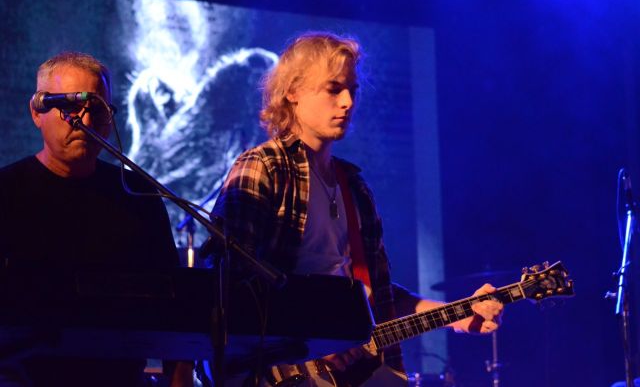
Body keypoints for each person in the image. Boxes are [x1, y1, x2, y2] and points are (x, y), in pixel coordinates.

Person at [213, 32, 504, 386]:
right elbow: (227, 284)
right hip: (275, 371)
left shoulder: (355, 188)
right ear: (292, 91)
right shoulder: (263, 167)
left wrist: (456, 315)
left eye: (352, 89)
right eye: (333, 89)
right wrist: (308, 339)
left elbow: (380, 296)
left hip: (349, 369)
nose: (348, 102)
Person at [0, 52, 192, 387]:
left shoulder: (138, 194)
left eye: (98, 110)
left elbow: (173, 303)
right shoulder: (7, 192)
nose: (85, 120)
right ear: (37, 111)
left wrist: (181, 377)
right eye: (72, 106)